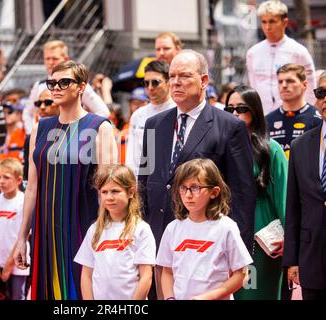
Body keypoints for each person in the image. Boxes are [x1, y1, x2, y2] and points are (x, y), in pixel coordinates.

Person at [138, 50, 256, 299]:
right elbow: (145, 180)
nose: (176, 82)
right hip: (159, 236)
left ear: (204, 81)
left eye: (184, 76)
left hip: (206, 243)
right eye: (172, 76)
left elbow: (243, 193)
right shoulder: (154, 124)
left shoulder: (229, 126)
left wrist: (238, 257)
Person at [13, 61, 117, 300]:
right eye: (52, 83)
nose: (56, 88)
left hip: (84, 227)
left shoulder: (99, 127)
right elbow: (32, 188)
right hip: (44, 231)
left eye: (64, 82)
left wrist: (106, 236)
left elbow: (109, 190)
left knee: (81, 294)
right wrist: (21, 238)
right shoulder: (40, 128)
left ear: (81, 87)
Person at [156, 158, 253, 300]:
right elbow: (167, 271)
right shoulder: (172, 228)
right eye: (183, 188)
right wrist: (170, 298)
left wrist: (209, 297)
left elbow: (242, 273)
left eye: (195, 188)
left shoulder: (226, 227)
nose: (188, 194)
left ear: (214, 192)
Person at [225, 85, 288, 300]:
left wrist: (290, 238)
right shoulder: (221, 147)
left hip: (262, 233)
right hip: (228, 228)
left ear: (255, 111)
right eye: (229, 109)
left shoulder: (271, 149)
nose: (235, 114)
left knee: (257, 293)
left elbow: (284, 198)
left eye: (241, 108)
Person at [74, 164, 155, 300]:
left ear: (131, 192)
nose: (109, 197)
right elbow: (86, 275)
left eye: (115, 191)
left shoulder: (141, 229)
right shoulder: (94, 230)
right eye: (104, 192)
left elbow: (146, 276)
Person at [283, 71, 326, 300]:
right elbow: (293, 208)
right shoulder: (300, 146)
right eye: (322, 93)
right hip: (312, 259)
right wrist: (292, 259)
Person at [22, 40, 110, 134]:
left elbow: (103, 111)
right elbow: (27, 113)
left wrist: (82, 130)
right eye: (47, 59)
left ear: (65, 58)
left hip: (71, 137)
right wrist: (32, 134)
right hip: (46, 137)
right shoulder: (39, 86)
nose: (50, 62)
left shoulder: (77, 84)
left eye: (55, 58)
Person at [246, 0, 316, 114]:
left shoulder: (299, 51)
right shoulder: (253, 53)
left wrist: (306, 114)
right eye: (264, 22)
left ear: (285, 22)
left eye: (272, 21)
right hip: (262, 116)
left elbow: (311, 87)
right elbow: (253, 87)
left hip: (293, 115)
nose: (267, 27)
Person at [0, 158, 29, 300]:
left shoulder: (24, 202)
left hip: (18, 263)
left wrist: (10, 263)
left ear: (19, 180)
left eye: (6, 177)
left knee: (17, 296)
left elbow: (24, 235)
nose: (1, 181)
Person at [126, 60, 175, 175]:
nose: (150, 87)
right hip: (142, 179)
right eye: (146, 83)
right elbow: (132, 156)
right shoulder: (138, 115)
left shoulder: (179, 111)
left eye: (155, 82)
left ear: (168, 82)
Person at [266, 63, 322, 159]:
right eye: (280, 81)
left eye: (290, 81)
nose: (284, 85)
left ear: (304, 85)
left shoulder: (318, 119)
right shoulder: (267, 120)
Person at [118, 87, 149, 165]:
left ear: (147, 103)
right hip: (123, 170)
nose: (137, 106)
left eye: (141, 102)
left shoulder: (151, 124)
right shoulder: (125, 125)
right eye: (134, 103)